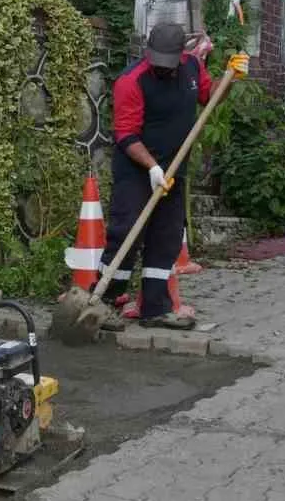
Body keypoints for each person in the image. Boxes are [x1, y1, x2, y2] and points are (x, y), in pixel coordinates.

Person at [98, 22, 244, 332]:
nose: (162, 69)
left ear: (181, 55)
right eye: (157, 62)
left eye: (168, 63)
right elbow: (125, 133)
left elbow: (211, 97)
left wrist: (231, 77)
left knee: (166, 238)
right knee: (125, 233)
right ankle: (102, 303)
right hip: (137, 170)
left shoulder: (192, 67)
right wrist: (152, 168)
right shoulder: (131, 80)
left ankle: (156, 309)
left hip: (174, 170)